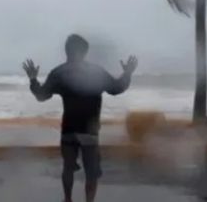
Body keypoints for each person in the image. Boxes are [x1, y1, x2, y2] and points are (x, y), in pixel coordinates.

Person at [23, 34, 138, 202]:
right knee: (91, 171)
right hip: (89, 131)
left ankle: (67, 199)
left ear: (67, 51)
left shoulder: (59, 73)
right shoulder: (96, 72)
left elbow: (41, 96)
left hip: (69, 130)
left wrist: (33, 79)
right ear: (85, 52)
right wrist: (127, 73)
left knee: (68, 168)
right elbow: (116, 88)